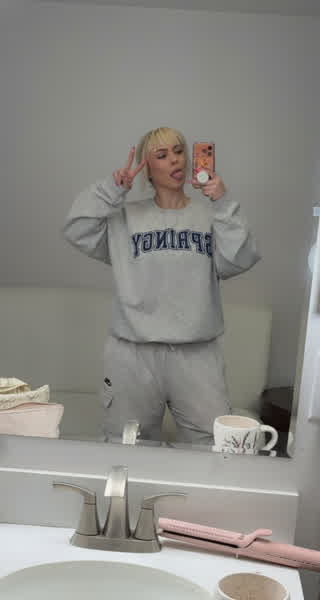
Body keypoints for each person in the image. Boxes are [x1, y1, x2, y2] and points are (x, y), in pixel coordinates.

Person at [63, 127, 260, 444]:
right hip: (133, 353)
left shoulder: (210, 216)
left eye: (179, 151)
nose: (175, 160)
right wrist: (111, 190)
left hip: (197, 353)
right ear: (147, 168)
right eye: (162, 155)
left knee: (213, 446)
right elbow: (76, 228)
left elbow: (240, 259)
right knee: (127, 447)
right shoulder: (124, 218)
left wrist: (223, 202)